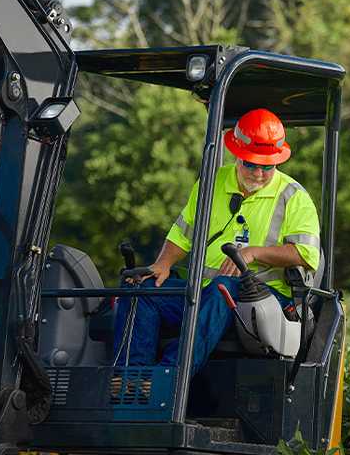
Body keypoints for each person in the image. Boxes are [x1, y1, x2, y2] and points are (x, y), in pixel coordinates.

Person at [113, 108, 320, 378]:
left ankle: (168, 378)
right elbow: (184, 231)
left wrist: (254, 253)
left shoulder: (293, 196)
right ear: (237, 154)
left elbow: (305, 255)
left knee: (225, 287)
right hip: (206, 292)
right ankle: (130, 382)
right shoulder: (212, 182)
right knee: (143, 289)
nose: (258, 173)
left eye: (267, 166)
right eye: (250, 163)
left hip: (264, 299)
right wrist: (163, 264)